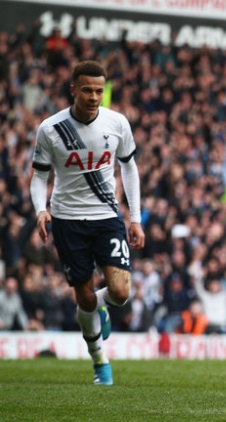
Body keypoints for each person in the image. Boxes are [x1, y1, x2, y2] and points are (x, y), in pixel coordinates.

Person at [30, 60, 145, 386]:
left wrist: (134, 218)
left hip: (107, 216)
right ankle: (100, 362)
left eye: (99, 90)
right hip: (66, 219)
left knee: (120, 291)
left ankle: (101, 309)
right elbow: (38, 176)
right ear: (73, 90)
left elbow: (130, 168)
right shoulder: (51, 129)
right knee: (85, 298)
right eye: (87, 90)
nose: (94, 96)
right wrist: (41, 210)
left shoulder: (117, 123)